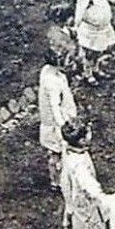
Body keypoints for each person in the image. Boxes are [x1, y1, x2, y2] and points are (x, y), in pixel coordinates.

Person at [57, 116, 111, 229]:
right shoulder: (79, 164)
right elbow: (86, 184)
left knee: (69, 212)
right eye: (87, 133)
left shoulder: (67, 147)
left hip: (69, 188)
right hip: (81, 195)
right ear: (82, 141)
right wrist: (98, 194)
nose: (90, 134)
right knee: (85, 224)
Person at [37, 41, 78, 193]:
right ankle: (56, 181)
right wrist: (63, 125)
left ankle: (61, 177)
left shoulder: (49, 71)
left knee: (60, 153)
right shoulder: (52, 82)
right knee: (57, 154)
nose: (70, 62)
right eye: (68, 59)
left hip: (61, 117)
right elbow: (54, 107)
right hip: (55, 124)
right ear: (59, 61)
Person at [72, 0, 115, 86]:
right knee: (89, 53)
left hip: (103, 28)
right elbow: (79, 11)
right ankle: (88, 74)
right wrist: (76, 26)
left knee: (99, 50)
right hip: (91, 30)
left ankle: (96, 69)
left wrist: (112, 0)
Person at [45, 2, 81, 76]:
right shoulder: (56, 33)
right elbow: (67, 47)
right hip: (62, 56)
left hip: (68, 52)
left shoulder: (65, 29)